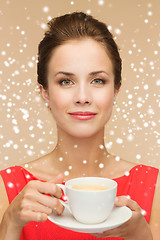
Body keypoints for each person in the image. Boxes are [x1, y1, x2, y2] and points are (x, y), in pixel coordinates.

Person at [0, 11, 159, 240]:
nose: (82, 97)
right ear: (45, 92)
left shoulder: (153, 187)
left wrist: (140, 235)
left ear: (115, 90)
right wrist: (10, 224)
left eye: (97, 80)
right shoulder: (9, 188)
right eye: (66, 81)